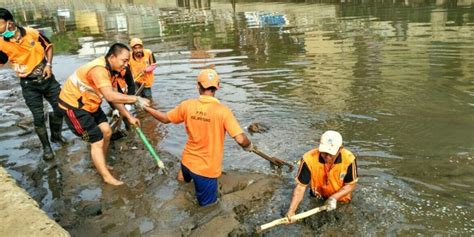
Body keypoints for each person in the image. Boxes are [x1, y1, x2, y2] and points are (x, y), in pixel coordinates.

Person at [143, 69, 255, 206]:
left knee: (182, 189)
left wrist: (146, 108)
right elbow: (241, 140)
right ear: (218, 87)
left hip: (186, 163)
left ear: (198, 86)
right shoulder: (223, 111)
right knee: (209, 209)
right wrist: (249, 145)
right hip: (206, 170)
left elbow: (165, 118)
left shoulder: (187, 105)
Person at [58, 43, 150, 186]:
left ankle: (102, 162)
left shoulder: (111, 70)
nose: (126, 65)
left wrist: (129, 116)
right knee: (97, 140)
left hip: (90, 103)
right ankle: (106, 177)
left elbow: (112, 96)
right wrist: (136, 99)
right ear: (112, 57)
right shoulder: (99, 69)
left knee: (107, 131)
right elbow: (110, 95)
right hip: (74, 106)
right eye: (124, 61)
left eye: (127, 62)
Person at [0, 8, 66, 160]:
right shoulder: (1, 44)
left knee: (60, 108)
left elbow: (48, 47)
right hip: (29, 85)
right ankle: (47, 148)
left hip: (48, 80)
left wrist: (49, 65)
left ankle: (56, 136)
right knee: (38, 118)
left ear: (10, 23)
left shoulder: (32, 33)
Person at [286, 130, 358, 220]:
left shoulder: (349, 159)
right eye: (324, 152)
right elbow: (301, 187)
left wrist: (333, 198)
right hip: (317, 196)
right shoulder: (308, 159)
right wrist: (291, 211)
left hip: (340, 199)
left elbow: (351, 184)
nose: (327, 156)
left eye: (331, 153)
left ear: (340, 148)